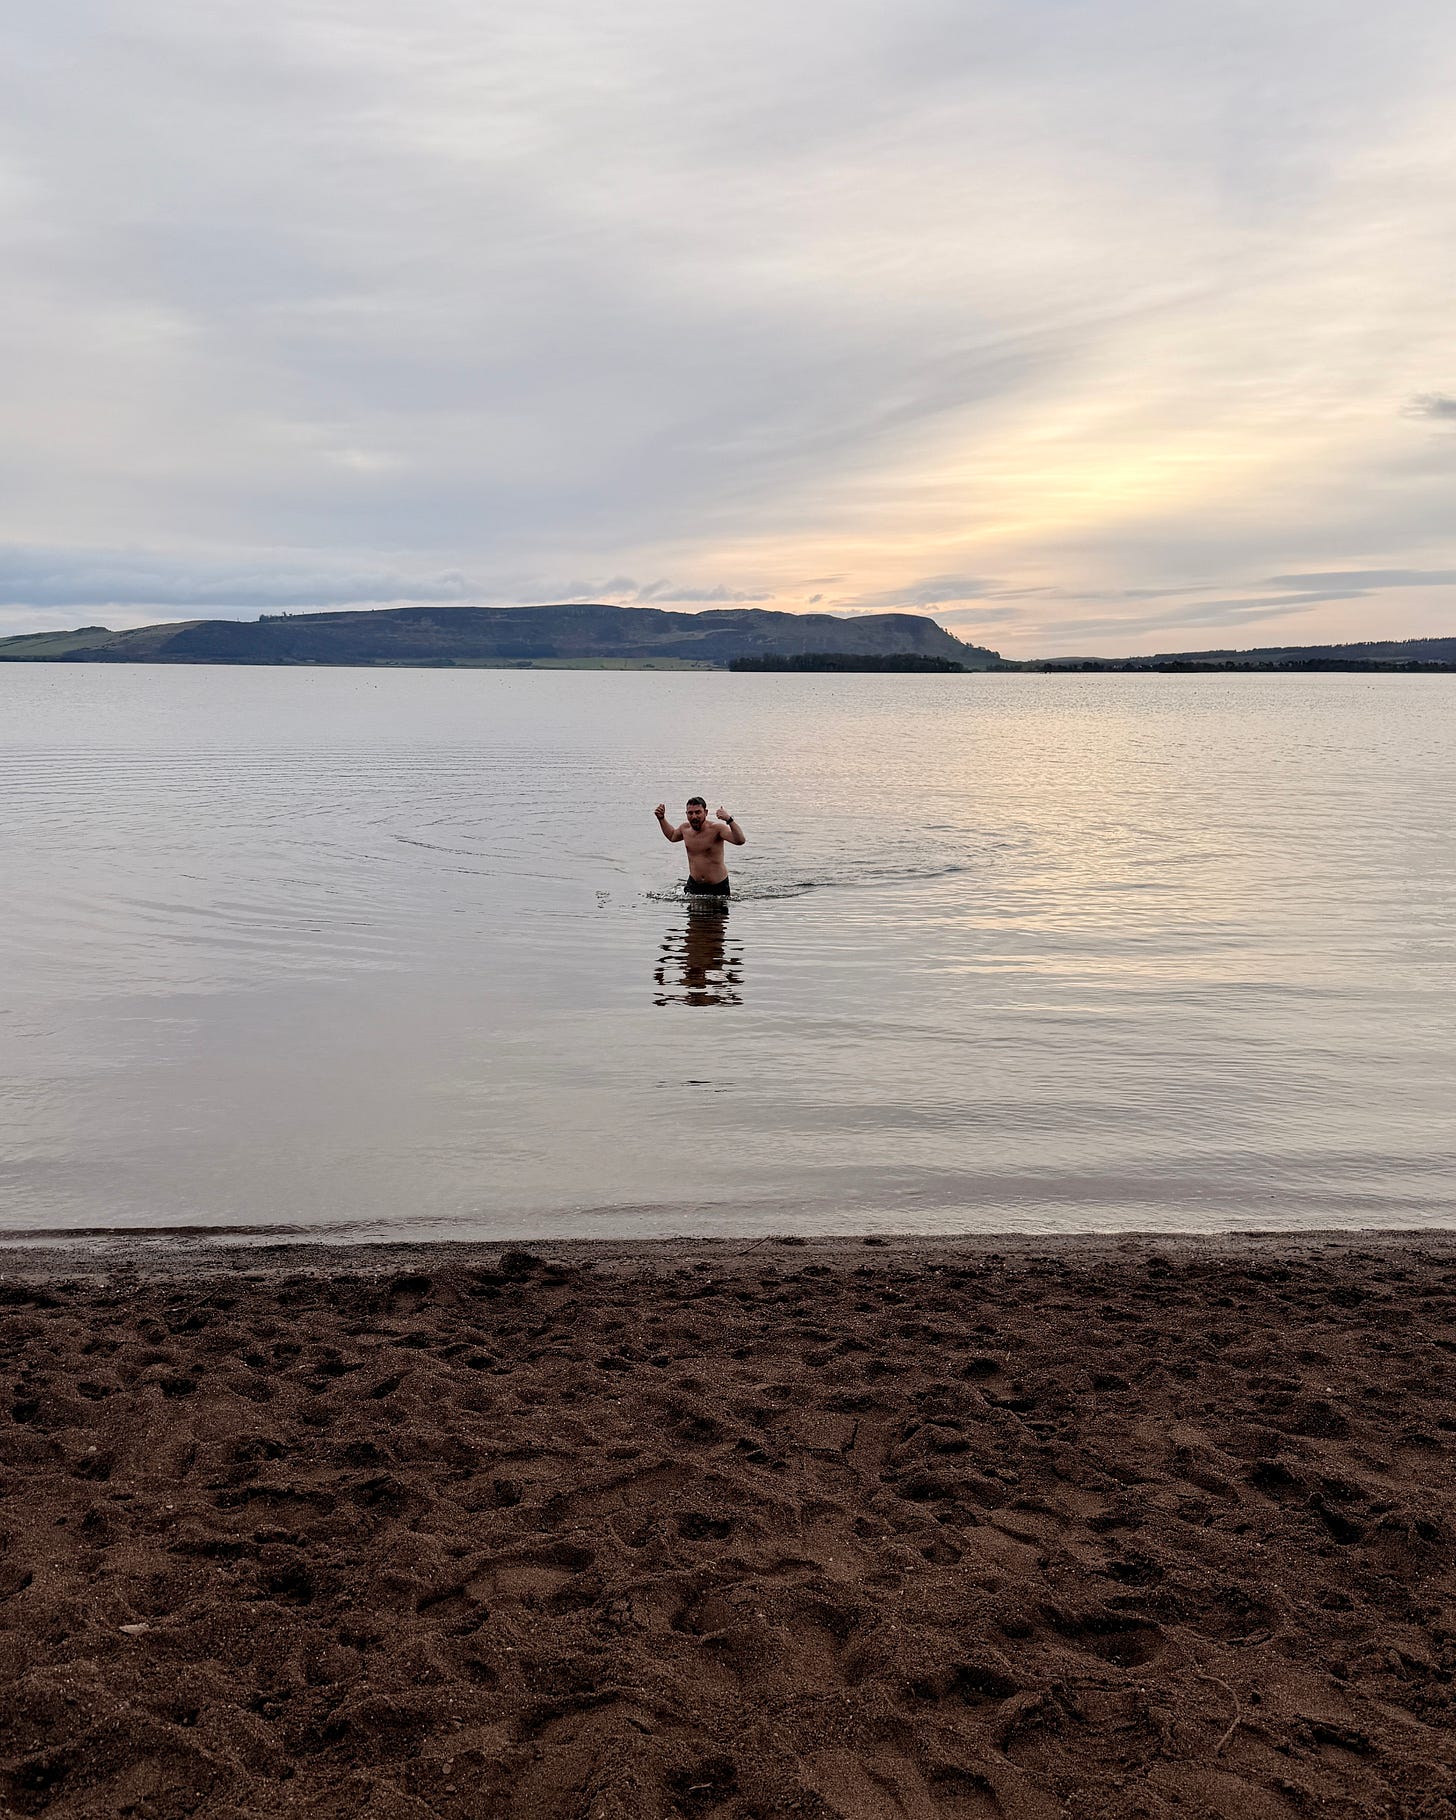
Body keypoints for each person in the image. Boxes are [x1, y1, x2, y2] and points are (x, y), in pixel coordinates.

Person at [654, 796, 745, 898]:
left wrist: (729, 819)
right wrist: (661, 818)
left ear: (705, 812)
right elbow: (672, 836)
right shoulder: (685, 829)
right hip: (694, 885)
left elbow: (740, 840)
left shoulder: (717, 829)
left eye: (698, 812)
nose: (694, 816)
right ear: (686, 814)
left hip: (718, 886)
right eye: (690, 813)